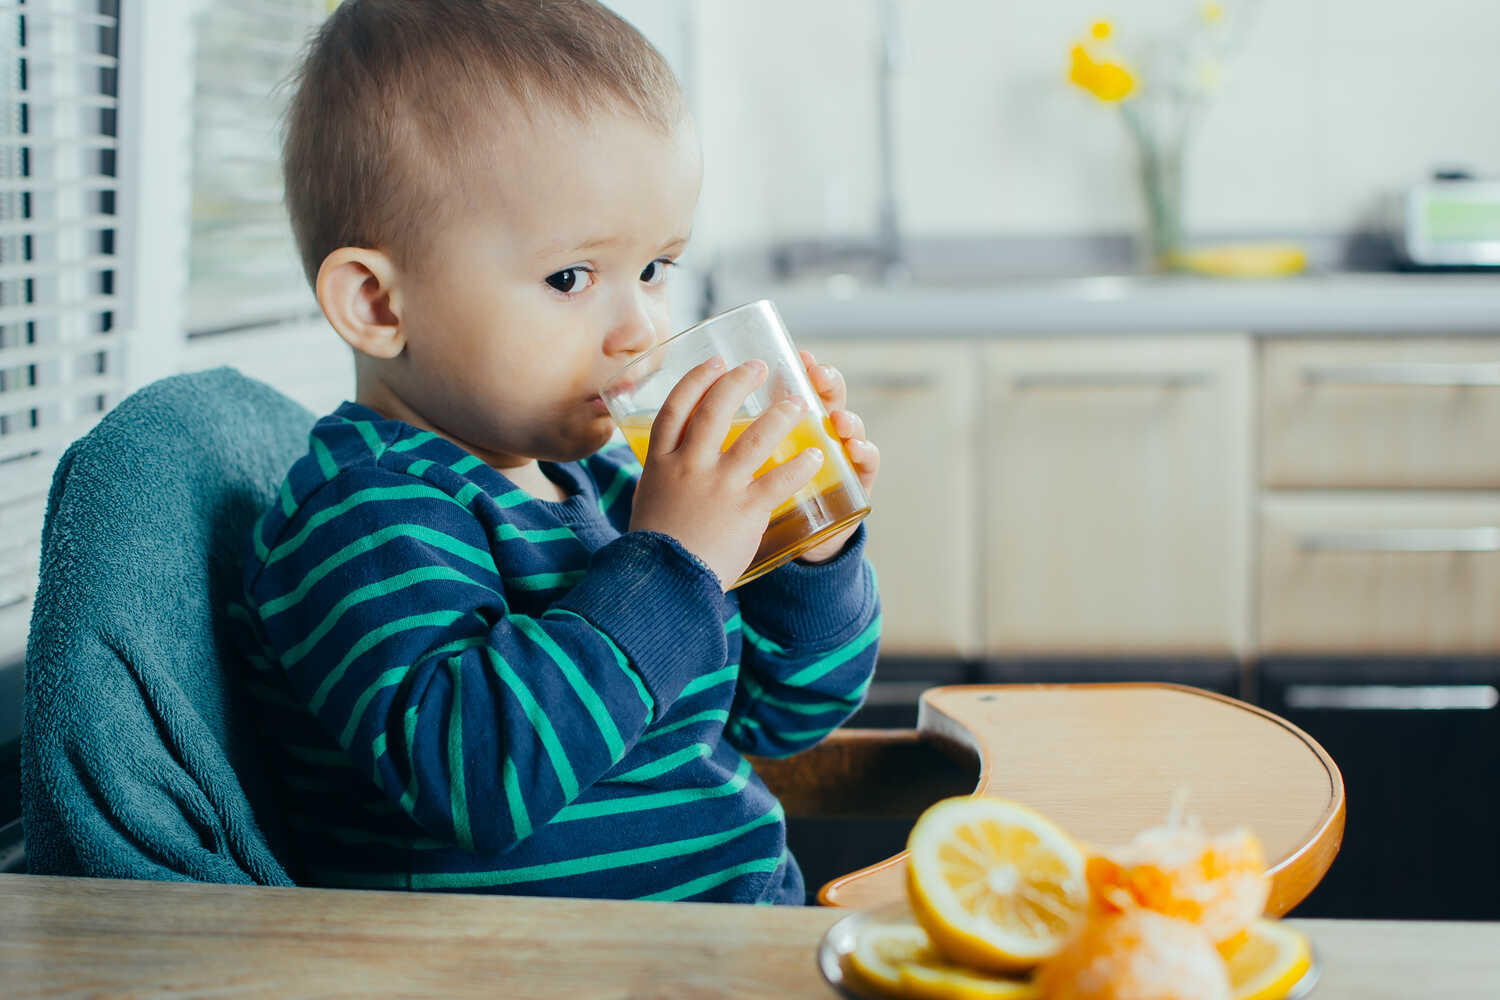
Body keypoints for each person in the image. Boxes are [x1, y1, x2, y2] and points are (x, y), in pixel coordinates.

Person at [234, 0, 882, 905]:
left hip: (731, 948)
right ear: (380, 306)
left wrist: (804, 551)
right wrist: (678, 563)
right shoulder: (364, 517)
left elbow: (789, 714)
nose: (644, 330)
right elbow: (476, 779)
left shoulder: (623, 488)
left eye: (655, 268)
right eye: (571, 278)